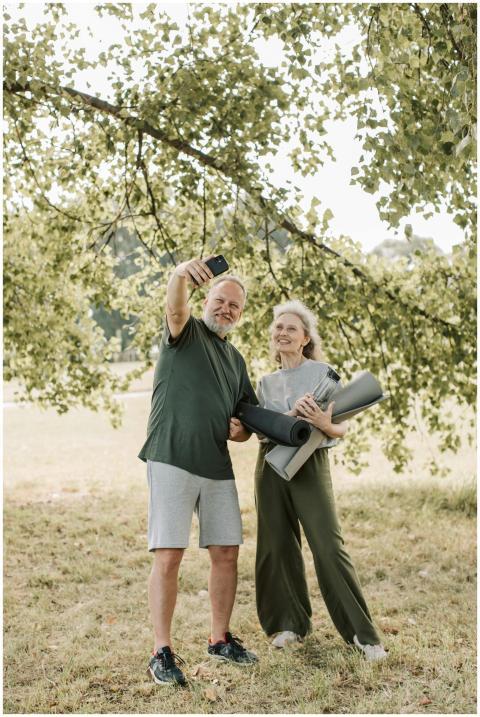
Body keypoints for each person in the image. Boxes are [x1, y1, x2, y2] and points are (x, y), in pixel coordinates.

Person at [139, 257, 258, 686]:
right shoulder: (185, 332)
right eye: (220, 301)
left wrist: (243, 429)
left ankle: (219, 638)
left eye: (234, 307)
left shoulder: (236, 360)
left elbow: (246, 421)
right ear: (206, 300)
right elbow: (174, 308)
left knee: (226, 552)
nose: (225, 310)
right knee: (169, 555)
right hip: (171, 456)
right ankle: (161, 651)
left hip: (216, 466)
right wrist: (178, 276)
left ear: (240, 316)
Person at [254, 299, 388, 661]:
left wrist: (326, 425)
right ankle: (289, 624)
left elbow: (341, 424)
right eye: (278, 327)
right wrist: (289, 415)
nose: (282, 333)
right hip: (270, 467)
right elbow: (261, 431)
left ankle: (363, 635)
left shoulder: (323, 372)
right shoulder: (265, 382)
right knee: (276, 544)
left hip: (311, 464)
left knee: (328, 546)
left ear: (305, 338)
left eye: (291, 329)